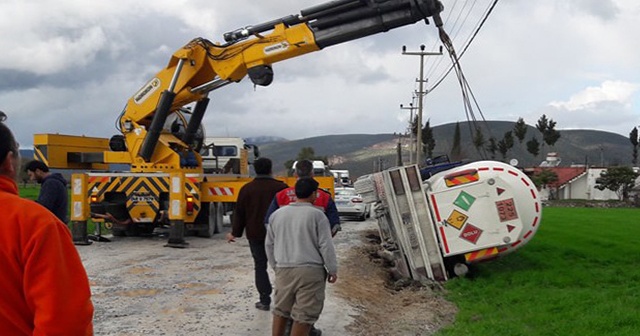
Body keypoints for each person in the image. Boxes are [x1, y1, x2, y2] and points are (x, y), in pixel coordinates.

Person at [0, 113, 94, 335]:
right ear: (9, 161)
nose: (30, 178)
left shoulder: (40, 205)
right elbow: (65, 322)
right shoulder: (32, 224)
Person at [266, 178, 338, 336]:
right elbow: (325, 245)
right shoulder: (318, 216)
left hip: (284, 269)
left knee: (281, 310)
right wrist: (332, 269)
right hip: (310, 271)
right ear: (314, 194)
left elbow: (269, 245)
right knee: (304, 315)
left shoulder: (277, 215)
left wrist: (276, 266)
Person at [227, 157, 288, 311]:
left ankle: (264, 300)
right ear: (271, 169)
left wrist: (235, 233)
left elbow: (239, 213)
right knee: (282, 266)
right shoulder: (281, 188)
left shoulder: (247, 189)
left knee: (260, 266)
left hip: (255, 233)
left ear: (255, 170)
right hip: (278, 234)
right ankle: (285, 300)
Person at [265, 159, 341, 236]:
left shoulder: (281, 195)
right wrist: (323, 239)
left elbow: (268, 222)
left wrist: (278, 238)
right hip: (314, 244)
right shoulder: (325, 197)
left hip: (286, 243)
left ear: (295, 174)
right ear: (312, 174)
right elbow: (335, 225)